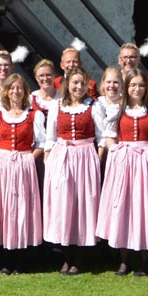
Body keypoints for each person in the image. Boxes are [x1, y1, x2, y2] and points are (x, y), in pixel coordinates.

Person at [97, 70, 148, 277]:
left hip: (147, 163)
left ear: (146, 88)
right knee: (124, 207)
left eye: (141, 85)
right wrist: (117, 150)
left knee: (145, 207)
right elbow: (109, 136)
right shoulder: (118, 109)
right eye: (133, 85)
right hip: (124, 163)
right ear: (126, 87)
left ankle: (145, 260)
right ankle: (124, 261)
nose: (137, 89)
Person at [42, 68, 107, 274]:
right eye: (75, 83)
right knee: (63, 205)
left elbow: (102, 137)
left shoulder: (94, 106)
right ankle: (66, 255)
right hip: (61, 156)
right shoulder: (57, 106)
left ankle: (78, 258)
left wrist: (97, 159)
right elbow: (50, 137)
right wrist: (48, 160)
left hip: (85, 156)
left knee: (82, 205)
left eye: (82, 83)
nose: (78, 87)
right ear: (67, 85)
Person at [0, 73, 45, 274]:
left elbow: (41, 143)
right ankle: (5, 260)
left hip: (23, 166)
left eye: (19, 88)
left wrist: (29, 158)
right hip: (3, 166)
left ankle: (20, 260)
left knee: (21, 209)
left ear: (25, 92)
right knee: (4, 209)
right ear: (6, 91)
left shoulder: (33, 115)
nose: (16, 92)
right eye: (12, 88)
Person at [117, 38, 148, 105]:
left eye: (132, 57)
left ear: (139, 60)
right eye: (125, 57)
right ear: (119, 60)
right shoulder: (111, 82)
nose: (128, 61)